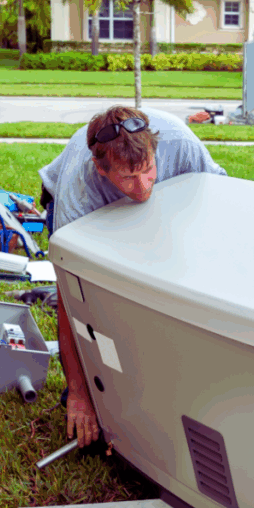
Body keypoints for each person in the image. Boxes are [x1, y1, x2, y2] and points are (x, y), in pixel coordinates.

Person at [39, 106, 227, 446]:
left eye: (148, 170)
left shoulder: (180, 142)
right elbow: (70, 298)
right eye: (128, 177)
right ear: (100, 168)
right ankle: (91, 393)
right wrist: (79, 395)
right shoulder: (79, 190)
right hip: (89, 215)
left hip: (165, 205)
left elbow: (217, 206)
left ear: (156, 151)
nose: (141, 187)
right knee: (99, 302)